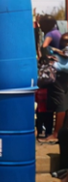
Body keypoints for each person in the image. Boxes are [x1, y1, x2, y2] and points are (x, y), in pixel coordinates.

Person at [40, 15, 68, 143]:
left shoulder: (50, 34)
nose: (40, 26)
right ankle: (57, 132)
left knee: (59, 102)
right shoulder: (58, 32)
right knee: (59, 101)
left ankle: (55, 133)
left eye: (41, 24)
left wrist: (47, 56)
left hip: (57, 73)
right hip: (64, 74)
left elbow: (44, 47)